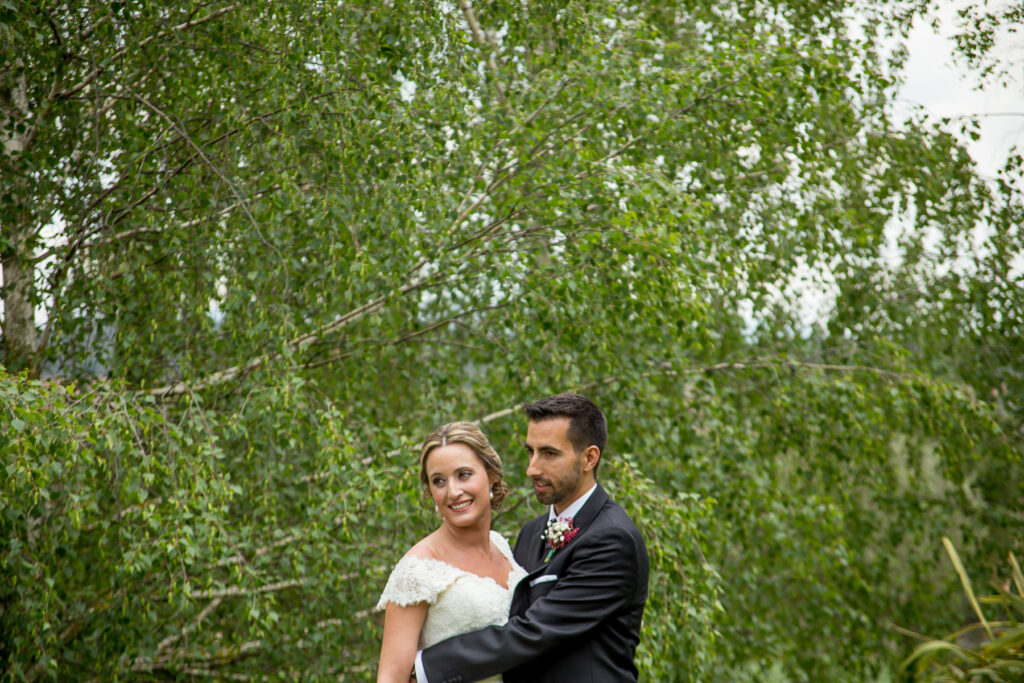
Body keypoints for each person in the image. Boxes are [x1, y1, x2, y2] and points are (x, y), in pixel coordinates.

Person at [416, 392, 650, 683]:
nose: (532, 469)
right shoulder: (531, 532)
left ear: (589, 457)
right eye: (531, 452)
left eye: (549, 454)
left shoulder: (613, 538)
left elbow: (535, 630)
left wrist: (428, 666)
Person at [375, 422, 527, 683]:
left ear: (490, 475)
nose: (453, 492)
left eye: (464, 474)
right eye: (439, 481)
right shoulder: (418, 569)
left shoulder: (501, 546)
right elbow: (391, 678)